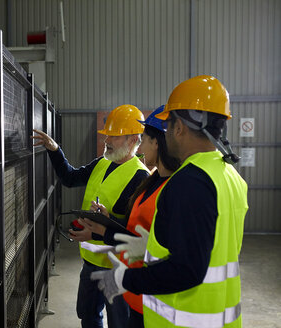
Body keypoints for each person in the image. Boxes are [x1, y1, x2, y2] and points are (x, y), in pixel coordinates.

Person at [90, 75, 249, 328]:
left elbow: (187, 271)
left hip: (185, 320)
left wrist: (125, 279)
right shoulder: (228, 175)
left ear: (179, 128)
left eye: (169, 125)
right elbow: (208, 245)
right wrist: (151, 246)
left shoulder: (189, 182)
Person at [32, 104, 150, 328]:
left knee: (119, 322)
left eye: (114, 137)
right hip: (90, 262)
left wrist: (104, 225)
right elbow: (69, 178)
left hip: (117, 267)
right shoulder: (102, 163)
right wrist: (54, 149)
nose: (107, 141)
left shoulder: (140, 177)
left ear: (133, 140)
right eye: (107, 135)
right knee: (88, 316)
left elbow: (134, 231)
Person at [78, 105, 180, 328]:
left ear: (158, 142)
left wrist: (104, 231)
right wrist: (102, 227)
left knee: (118, 320)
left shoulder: (165, 186)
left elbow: (152, 243)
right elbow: (133, 231)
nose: (140, 146)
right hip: (131, 279)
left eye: (143, 140)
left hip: (144, 287)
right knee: (93, 314)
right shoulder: (152, 182)